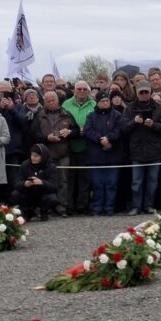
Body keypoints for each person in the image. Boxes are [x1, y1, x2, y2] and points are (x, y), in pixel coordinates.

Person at [124, 81, 161, 214]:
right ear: (137, 93)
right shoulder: (129, 108)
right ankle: (136, 206)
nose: (144, 94)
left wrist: (153, 125)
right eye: (141, 92)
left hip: (154, 150)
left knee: (152, 181)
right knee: (136, 182)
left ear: (150, 92)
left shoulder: (158, 108)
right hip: (137, 150)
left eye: (146, 92)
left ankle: (149, 205)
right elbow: (123, 128)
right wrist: (134, 122)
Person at [83, 90, 124, 216]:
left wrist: (109, 138)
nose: (105, 103)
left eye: (107, 101)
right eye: (102, 101)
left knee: (112, 183)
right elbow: (88, 131)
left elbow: (119, 130)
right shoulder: (91, 116)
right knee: (97, 184)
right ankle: (97, 207)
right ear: (97, 102)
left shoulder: (117, 115)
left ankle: (109, 208)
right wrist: (101, 139)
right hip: (96, 156)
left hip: (113, 154)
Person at [61, 81, 96, 215]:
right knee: (70, 179)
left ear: (88, 91)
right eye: (79, 89)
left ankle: (82, 206)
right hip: (69, 146)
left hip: (87, 146)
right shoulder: (66, 104)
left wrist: (85, 130)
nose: (82, 91)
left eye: (84, 89)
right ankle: (70, 206)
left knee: (85, 179)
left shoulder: (94, 105)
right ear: (74, 91)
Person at [12, 143, 61, 220]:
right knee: (15, 194)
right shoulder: (25, 164)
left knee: (52, 198)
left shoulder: (51, 166)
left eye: (36, 156)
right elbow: (16, 182)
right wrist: (25, 183)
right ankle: (27, 211)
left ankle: (44, 211)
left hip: (43, 193)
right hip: (28, 193)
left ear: (43, 156)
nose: (33, 158)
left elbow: (55, 186)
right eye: (32, 155)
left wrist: (42, 182)